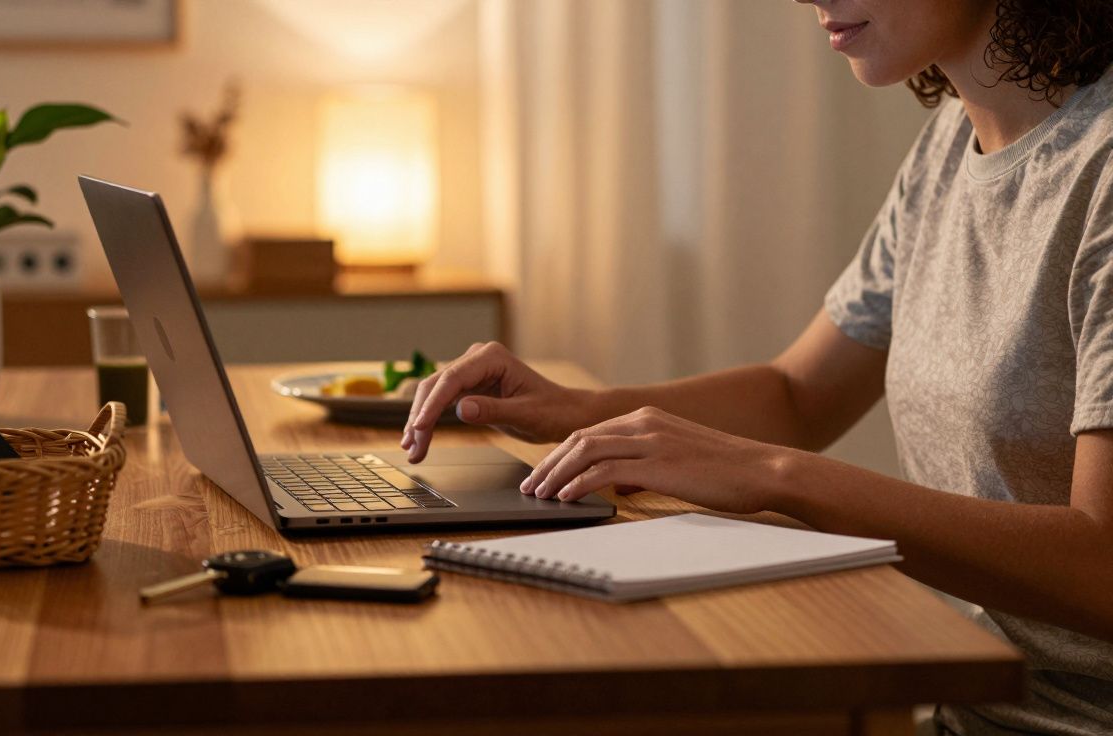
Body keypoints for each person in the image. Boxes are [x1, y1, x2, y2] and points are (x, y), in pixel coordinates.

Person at [402, 1, 1113, 733]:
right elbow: (798, 394)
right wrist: (579, 410)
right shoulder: (948, 147)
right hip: (968, 712)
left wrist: (776, 477)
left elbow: (1104, 567)